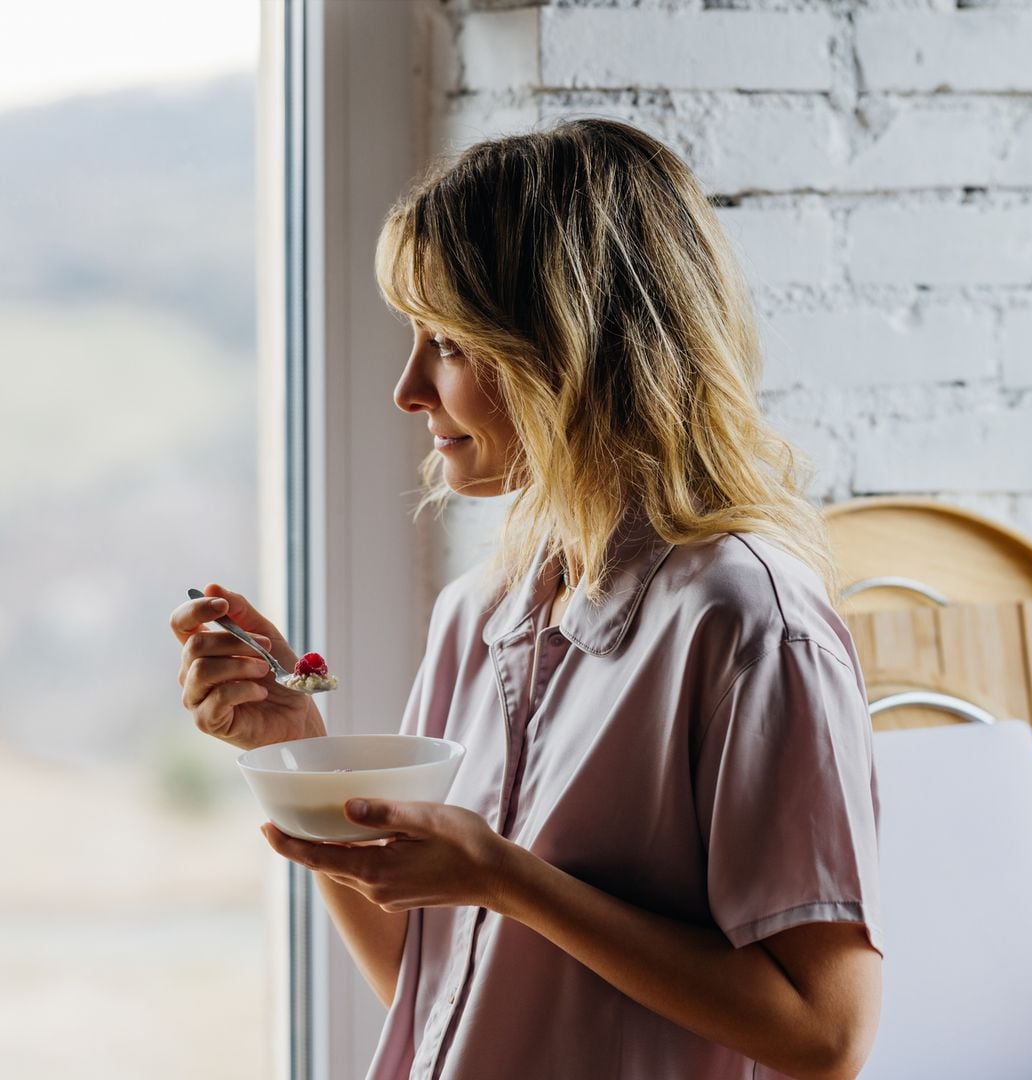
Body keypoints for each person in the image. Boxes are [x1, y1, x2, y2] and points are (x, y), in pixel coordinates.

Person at [171, 118, 884, 1080]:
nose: (407, 388)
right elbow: (445, 999)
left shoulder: (752, 625)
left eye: (449, 343)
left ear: (571, 350)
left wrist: (507, 879)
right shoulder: (480, 613)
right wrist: (293, 743)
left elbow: (826, 1034)